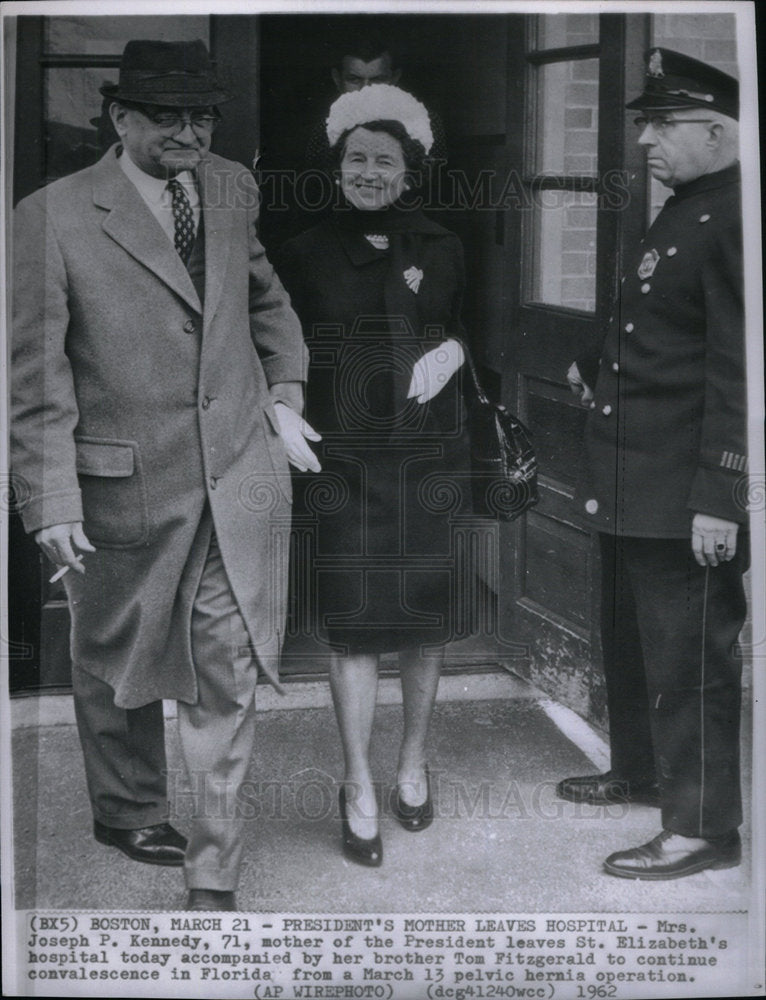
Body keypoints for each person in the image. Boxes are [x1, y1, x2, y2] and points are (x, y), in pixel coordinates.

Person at [11, 39, 316, 911]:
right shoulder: (52, 216)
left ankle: (213, 867)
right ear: (120, 117)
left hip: (235, 471)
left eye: (204, 116)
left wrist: (283, 390)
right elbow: (35, 378)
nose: (192, 133)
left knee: (224, 661)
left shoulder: (229, 185)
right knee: (116, 660)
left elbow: (265, 296)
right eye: (170, 117)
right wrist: (51, 501)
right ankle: (126, 807)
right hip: (120, 484)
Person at [557, 49, 748, 880]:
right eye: (646, 125)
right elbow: (657, 328)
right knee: (632, 643)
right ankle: (639, 774)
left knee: (689, 660)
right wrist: (598, 362)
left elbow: (739, 368)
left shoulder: (738, 217)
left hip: (684, 491)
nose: (646, 142)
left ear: (718, 129)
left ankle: (704, 825)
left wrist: (721, 494)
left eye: (663, 124)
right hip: (633, 480)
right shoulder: (683, 210)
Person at [276, 84, 470, 866]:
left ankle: (411, 763)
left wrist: (453, 349)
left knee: (424, 621)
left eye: (383, 160)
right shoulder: (301, 250)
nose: (367, 171)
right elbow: (273, 343)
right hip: (344, 460)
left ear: (409, 171)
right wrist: (278, 408)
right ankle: (358, 782)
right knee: (355, 625)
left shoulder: (444, 247)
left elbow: (462, 328)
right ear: (337, 165)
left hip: (428, 458)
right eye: (355, 158)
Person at [305, 31, 447, 170]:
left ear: (394, 79)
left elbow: (435, 182)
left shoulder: (427, 124)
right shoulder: (323, 130)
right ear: (338, 80)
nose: (366, 89)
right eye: (354, 80)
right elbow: (316, 184)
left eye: (377, 80)